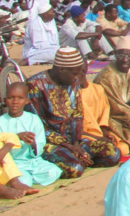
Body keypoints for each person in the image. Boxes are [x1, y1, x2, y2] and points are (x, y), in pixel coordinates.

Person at [26, 47, 122, 177]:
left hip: (73, 141)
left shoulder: (73, 82)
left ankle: (80, 158)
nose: (78, 78)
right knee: (74, 169)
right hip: (49, 143)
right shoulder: (35, 85)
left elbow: (77, 116)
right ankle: (76, 161)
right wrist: (69, 147)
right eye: (75, 73)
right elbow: (38, 127)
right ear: (61, 70)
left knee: (113, 154)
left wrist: (76, 144)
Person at [0, 83, 62, 188]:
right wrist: (16, 137)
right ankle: (27, 179)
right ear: (5, 100)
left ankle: (30, 177)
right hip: (14, 164)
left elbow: (40, 145)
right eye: (11, 98)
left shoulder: (33, 119)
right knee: (23, 180)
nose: (15, 102)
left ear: (27, 101)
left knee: (53, 172)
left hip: (33, 161)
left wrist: (33, 143)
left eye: (20, 98)